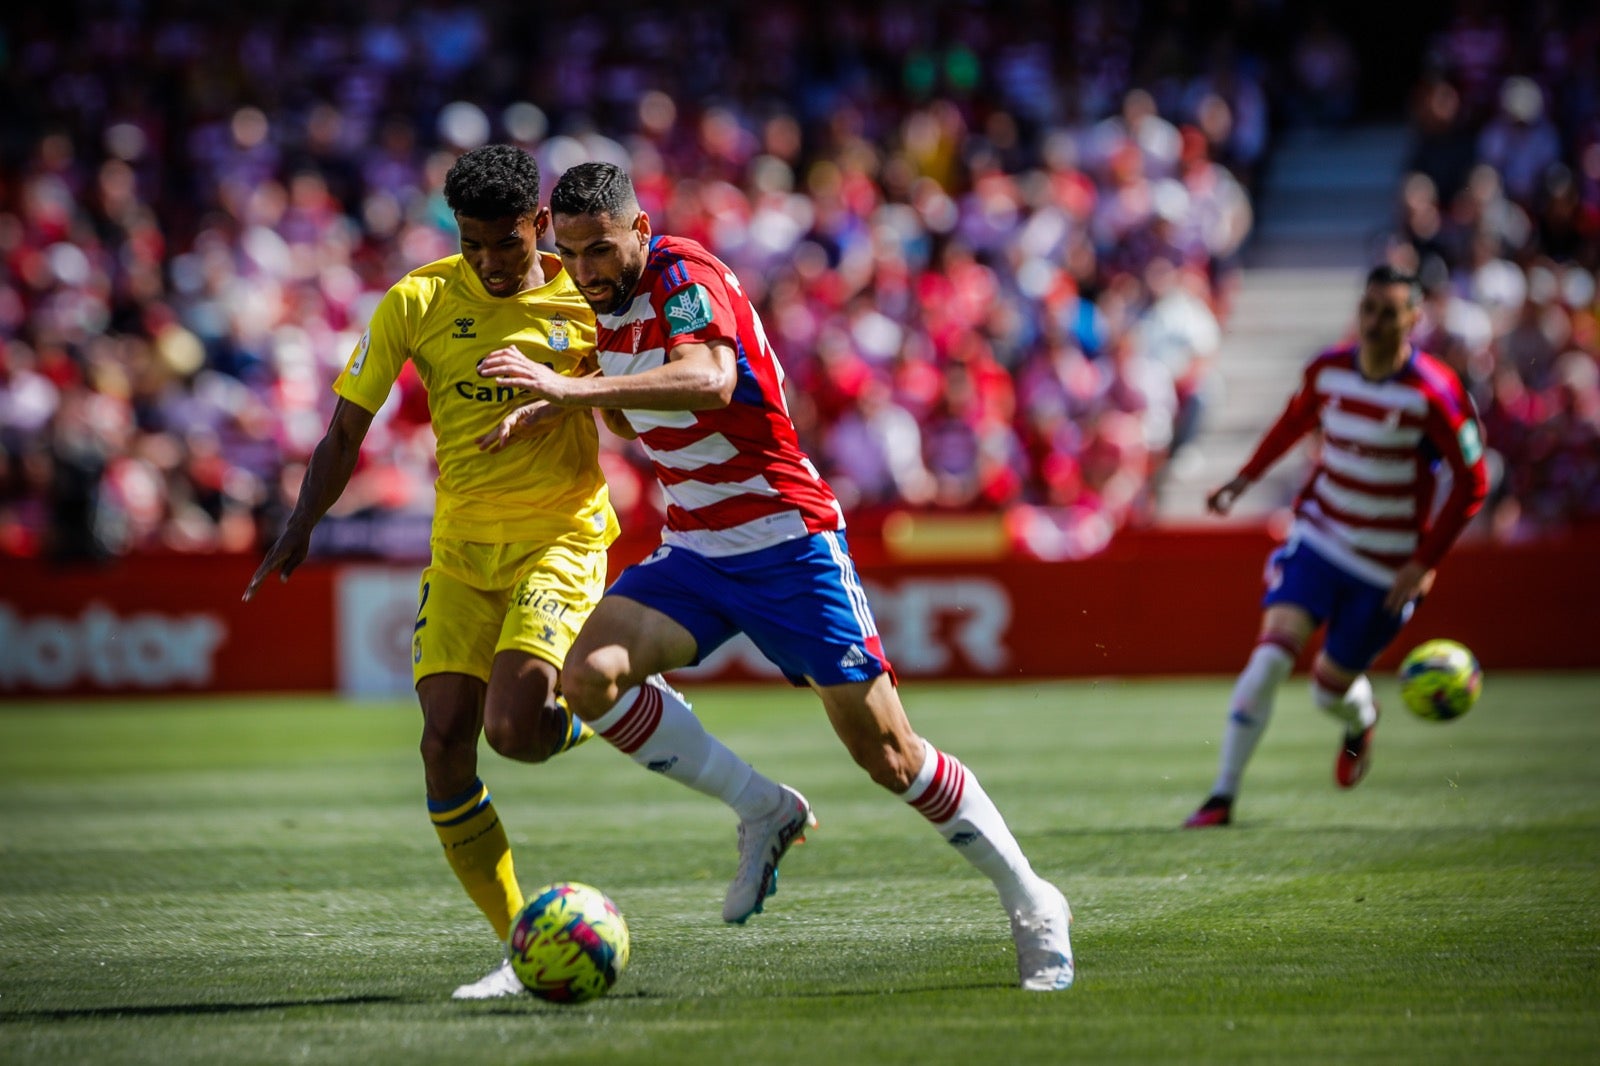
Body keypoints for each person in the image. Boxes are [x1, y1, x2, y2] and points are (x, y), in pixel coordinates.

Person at [478, 161, 1074, 992]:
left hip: (787, 541)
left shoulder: (684, 273)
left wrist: (570, 391)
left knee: (891, 756)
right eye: (571, 254)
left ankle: (1034, 900)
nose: (584, 270)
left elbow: (710, 379)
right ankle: (763, 806)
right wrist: (567, 398)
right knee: (589, 679)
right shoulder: (601, 302)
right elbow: (629, 415)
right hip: (696, 548)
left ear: (640, 230)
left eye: (600, 250)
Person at [244, 144, 623, 998]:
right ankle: (521, 947)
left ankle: (613, 700)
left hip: (560, 538)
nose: (489, 262)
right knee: (444, 745)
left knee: (514, 732)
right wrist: (302, 523)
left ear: (538, 224)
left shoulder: (586, 298)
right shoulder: (416, 300)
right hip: (459, 552)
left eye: (506, 243)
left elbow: (636, 411)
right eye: (471, 243)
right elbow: (346, 430)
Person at [1184, 265, 1490, 828]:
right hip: (1319, 540)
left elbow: (1474, 481)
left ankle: (1359, 722)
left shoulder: (1435, 392)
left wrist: (1424, 562)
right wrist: (1242, 481)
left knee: (1328, 691)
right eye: (1368, 309)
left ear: (1413, 320)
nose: (1373, 323)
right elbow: (1293, 423)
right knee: (1270, 659)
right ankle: (1221, 797)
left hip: (1386, 570)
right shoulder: (1328, 370)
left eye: (1388, 313)